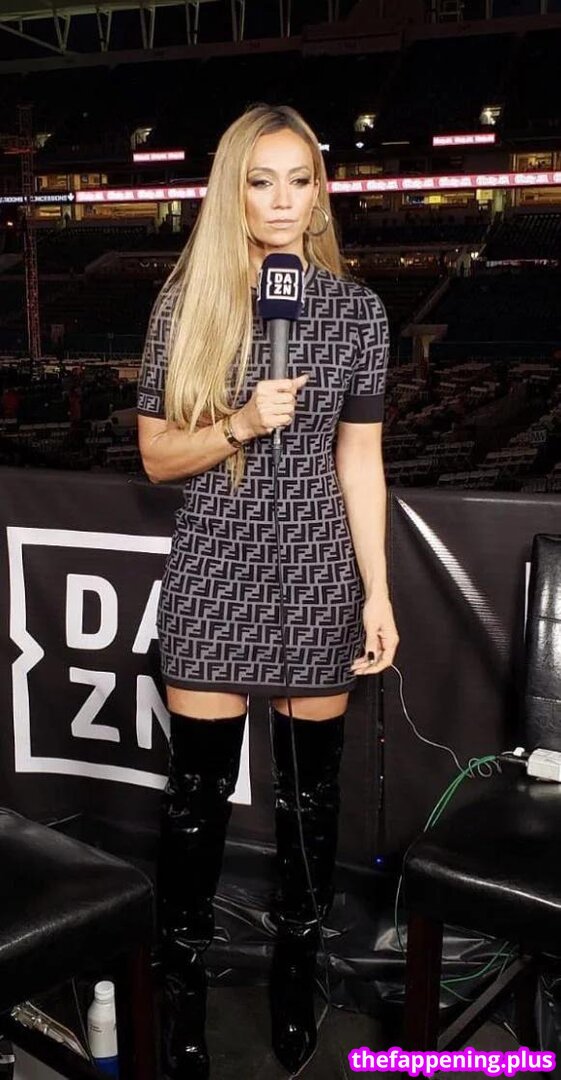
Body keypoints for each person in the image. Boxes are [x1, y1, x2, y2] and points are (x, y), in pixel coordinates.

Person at [137, 103, 399, 1080]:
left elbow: (360, 462)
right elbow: (156, 458)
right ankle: (182, 991)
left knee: (308, 806)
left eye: (299, 180)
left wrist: (376, 591)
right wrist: (242, 422)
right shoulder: (185, 305)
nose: (282, 200)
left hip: (319, 575)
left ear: (319, 194)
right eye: (260, 180)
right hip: (215, 573)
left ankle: (296, 972)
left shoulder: (358, 312)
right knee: (195, 805)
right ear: (232, 191)